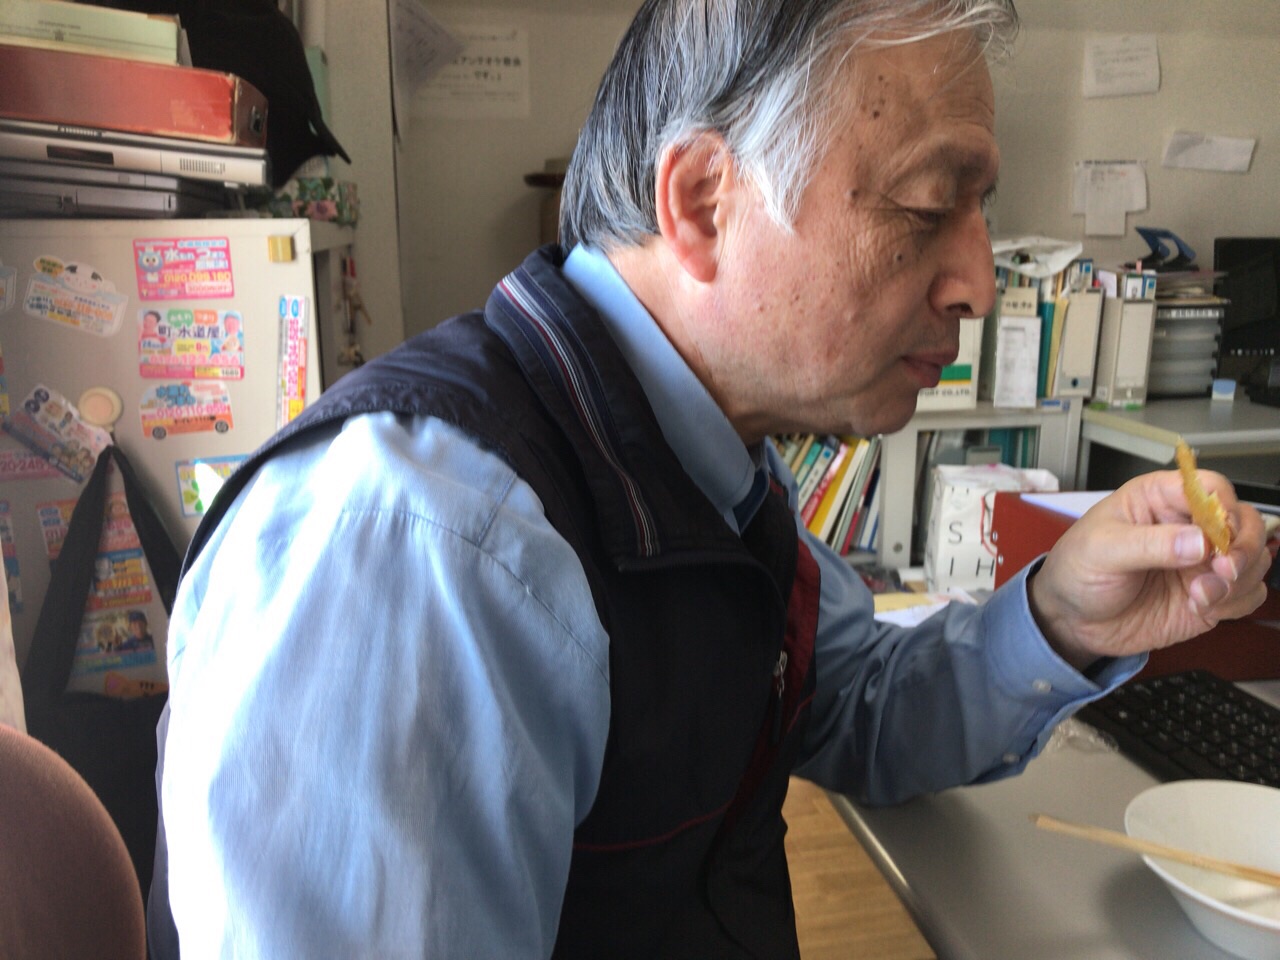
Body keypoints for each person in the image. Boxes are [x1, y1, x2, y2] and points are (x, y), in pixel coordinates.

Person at [149, 1, 1271, 957]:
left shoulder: (705, 463)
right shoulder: (423, 550)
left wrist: (1064, 614)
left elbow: (853, 705)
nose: (978, 281)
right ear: (699, 203)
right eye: (929, 207)